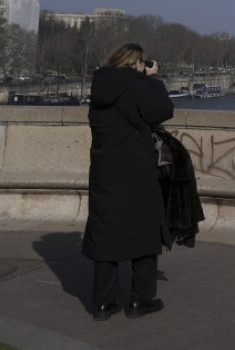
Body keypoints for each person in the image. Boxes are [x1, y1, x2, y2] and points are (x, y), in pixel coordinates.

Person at [82, 43, 174, 321]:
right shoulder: (138, 85)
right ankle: (140, 300)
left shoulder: (100, 86)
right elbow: (163, 110)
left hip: (105, 169)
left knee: (106, 233)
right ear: (136, 63)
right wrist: (152, 78)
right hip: (136, 169)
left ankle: (102, 304)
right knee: (144, 232)